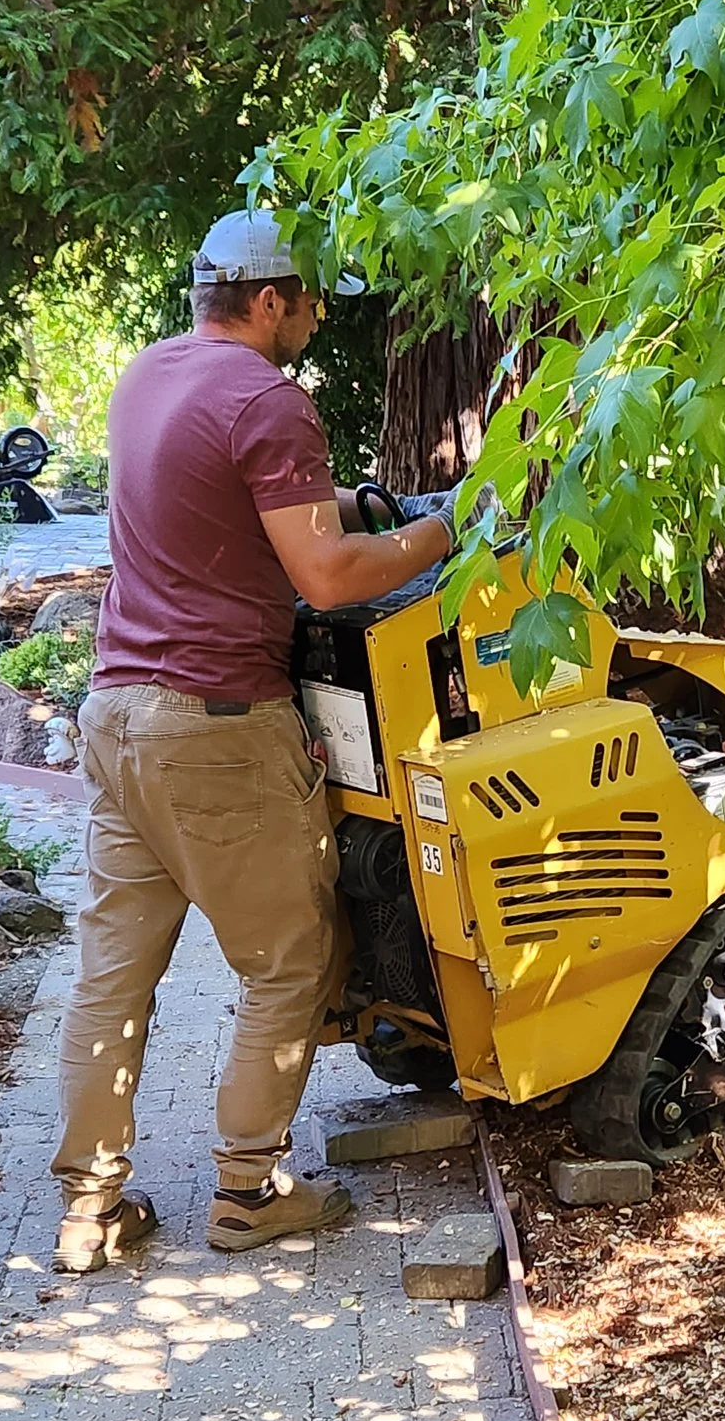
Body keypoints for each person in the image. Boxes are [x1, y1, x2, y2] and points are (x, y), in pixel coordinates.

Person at [50, 208, 454, 1273]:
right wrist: (442, 529)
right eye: (311, 301)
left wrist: (360, 504)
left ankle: (88, 1212)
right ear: (269, 300)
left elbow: (229, 510)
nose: (316, 319)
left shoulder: (148, 375)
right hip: (218, 725)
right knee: (291, 960)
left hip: (118, 717)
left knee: (110, 973)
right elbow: (324, 577)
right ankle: (249, 1190)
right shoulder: (272, 400)